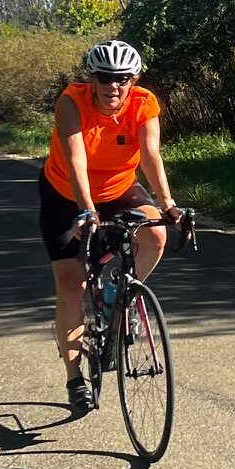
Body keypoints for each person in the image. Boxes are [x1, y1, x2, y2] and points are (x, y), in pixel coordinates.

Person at [38, 38, 181, 411]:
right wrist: (86, 210)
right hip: (65, 194)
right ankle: (75, 379)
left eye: (121, 78)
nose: (112, 85)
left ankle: (119, 299)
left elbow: (150, 156)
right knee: (72, 283)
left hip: (118, 188)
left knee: (155, 234)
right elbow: (75, 160)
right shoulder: (72, 101)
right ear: (93, 78)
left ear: (133, 79)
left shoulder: (143, 103)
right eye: (104, 77)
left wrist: (168, 204)